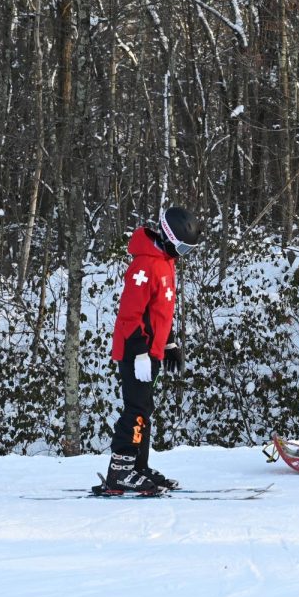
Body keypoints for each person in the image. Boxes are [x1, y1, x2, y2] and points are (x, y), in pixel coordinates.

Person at [101, 206, 204, 495]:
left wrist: (168, 344)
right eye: (182, 247)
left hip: (153, 351)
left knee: (145, 409)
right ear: (169, 237)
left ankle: (138, 466)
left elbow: (158, 312)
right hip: (137, 352)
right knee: (135, 409)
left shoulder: (165, 261)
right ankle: (119, 472)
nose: (183, 254)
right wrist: (140, 353)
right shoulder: (145, 265)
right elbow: (130, 315)